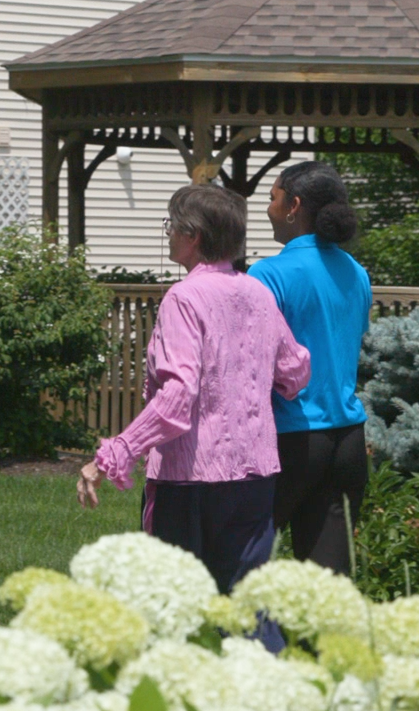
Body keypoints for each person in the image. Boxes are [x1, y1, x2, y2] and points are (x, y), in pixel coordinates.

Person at [77, 184, 311, 595]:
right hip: (256, 475)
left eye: (172, 225)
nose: (168, 233)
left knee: (174, 604)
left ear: (193, 236)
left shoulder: (183, 298)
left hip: (191, 482)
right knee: (246, 609)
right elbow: (294, 372)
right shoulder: (258, 292)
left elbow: (176, 399)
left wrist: (114, 454)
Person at [250, 160, 371, 575]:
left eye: (272, 198)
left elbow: (251, 362)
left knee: (240, 563)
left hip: (291, 440)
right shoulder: (357, 274)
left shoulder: (268, 274)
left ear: (293, 206)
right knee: (327, 586)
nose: (268, 208)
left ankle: (251, 640)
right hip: (348, 441)